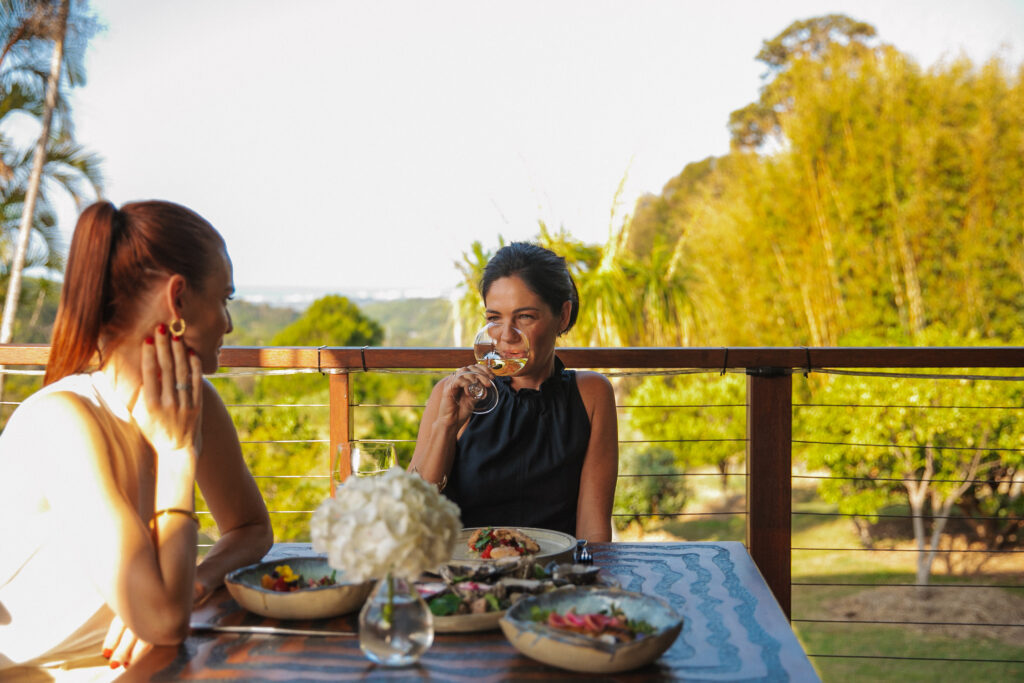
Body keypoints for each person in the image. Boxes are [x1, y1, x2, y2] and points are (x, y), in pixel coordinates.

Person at [0, 200, 273, 679]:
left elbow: (251, 528)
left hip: (149, 667)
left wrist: (194, 583)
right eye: (224, 299)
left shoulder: (198, 402)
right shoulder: (64, 421)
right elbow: (163, 622)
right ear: (178, 300)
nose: (229, 323)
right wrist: (177, 455)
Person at [409, 242, 618, 542]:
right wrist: (447, 426)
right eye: (494, 318)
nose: (506, 336)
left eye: (524, 317)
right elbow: (412, 512)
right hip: (464, 574)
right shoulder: (454, 393)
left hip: (555, 576)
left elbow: (594, 531)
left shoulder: (591, 394)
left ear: (562, 315)